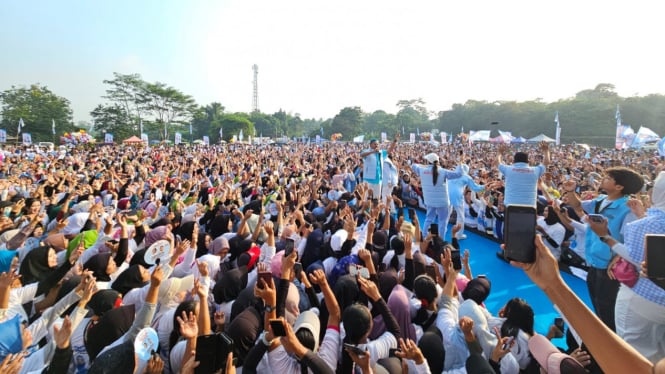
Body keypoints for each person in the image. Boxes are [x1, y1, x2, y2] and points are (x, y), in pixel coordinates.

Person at [585, 170, 665, 363]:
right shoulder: (643, 220)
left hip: (641, 300)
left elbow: (636, 258)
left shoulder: (642, 224)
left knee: (632, 355)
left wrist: (605, 236)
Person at [562, 167, 644, 331]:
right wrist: (570, 191)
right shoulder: (600, 201)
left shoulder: (628, 208)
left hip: (610, 270)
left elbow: (632, 240)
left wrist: (618, 257)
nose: (603, 179)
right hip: (593, 263)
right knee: (597, 305)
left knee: (608, 311)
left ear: (619, 187)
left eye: (608, 177)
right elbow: (577, 205)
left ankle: (610, 344)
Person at [411, 152, 464, 239]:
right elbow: (459, 174)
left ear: (428, 162)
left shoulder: (422, 170)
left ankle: (424, 237)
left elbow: (413, 165)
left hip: (429, 201)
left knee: (429, 219)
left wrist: (425, 166)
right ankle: (441, 240)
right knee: (442, 221)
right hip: (443, 203)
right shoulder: (443, 171)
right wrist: (460, 163)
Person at [494, 141, 550, 208]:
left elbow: (497, 162)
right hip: (530, 209)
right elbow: (546, 163)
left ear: (514, 161)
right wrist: (546, 150)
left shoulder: (508, 170)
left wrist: (499, 152)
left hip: (510, 208)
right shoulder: (535, 171)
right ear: (528, 161)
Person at [359, 136, 398, 203]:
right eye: (375, 144)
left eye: (377, 144)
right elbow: (362, 155)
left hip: (378, 180)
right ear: (370, 145)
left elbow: (389, 150)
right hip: (368, 180)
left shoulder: (381, 152)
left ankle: (375, 212)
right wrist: (372, 152)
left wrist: (394, 141)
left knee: (376, 199)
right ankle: (365, 211)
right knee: (366, 198)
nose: (376, 145)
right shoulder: (367, 151)